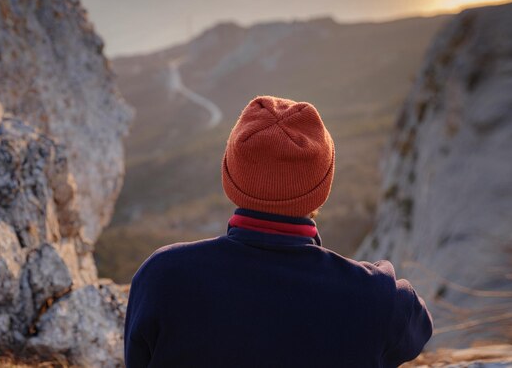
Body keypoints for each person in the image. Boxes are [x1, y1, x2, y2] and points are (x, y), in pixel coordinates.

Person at [124, 96, 433, 368]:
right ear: (321, 188)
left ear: (231, 178)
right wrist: (374, 280)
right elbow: (418, 325)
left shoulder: (163, 275)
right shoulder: (378, 298)